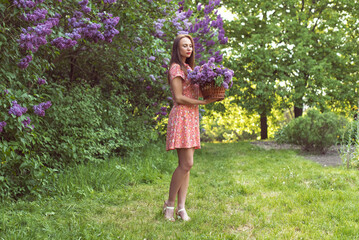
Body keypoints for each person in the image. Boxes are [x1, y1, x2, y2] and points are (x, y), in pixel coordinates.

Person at [163, 34, 217, 221]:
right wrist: (203, 102)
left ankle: (181, 208)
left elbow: (197, 90)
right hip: (181, 117)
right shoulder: (176, 68)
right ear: (177, 48)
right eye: (184, 45)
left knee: (186, 166)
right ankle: (169, 205)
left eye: (190, 46)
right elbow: (178, 97)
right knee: (186, 164)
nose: (188, 49)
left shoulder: (189, 68)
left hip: (191, 118)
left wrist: (214, 81)